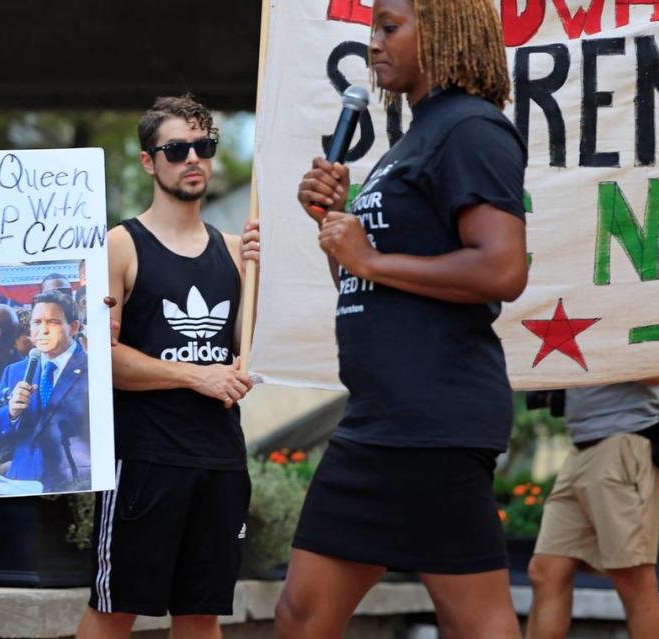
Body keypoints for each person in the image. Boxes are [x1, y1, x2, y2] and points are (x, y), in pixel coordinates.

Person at [278, 1, 529, 637]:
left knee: (476, 624)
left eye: (390, 28)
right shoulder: (412, 140)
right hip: (380, 416)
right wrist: (336, 237)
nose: (374, 44)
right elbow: (373, 276)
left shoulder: (471, 129)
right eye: (372, 30)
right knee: (301, 615)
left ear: (441, 32)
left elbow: (503, 270)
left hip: (433, 417)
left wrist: (370, 256)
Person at [76, 94, 260, 639]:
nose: (193, 159)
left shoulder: (236, 252)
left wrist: (265, 274)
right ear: (148, 161)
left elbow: (249, 358)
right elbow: (100, 359)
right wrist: (193, 375)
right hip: (144, 459)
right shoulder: (120, 245)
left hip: (220, 460)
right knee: (114, 609)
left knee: (201, 614)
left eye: (204, 146)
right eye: (176, 149)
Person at [526, 380, 659, 639]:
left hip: (624, 441)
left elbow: (656, 371)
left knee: (633, 578)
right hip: (580, 447)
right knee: (546, 570)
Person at [0, 291, 89, 492]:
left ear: (73, 327)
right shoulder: (15, 371)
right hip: (22, 482)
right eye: (37, 322)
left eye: (53, 322)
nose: (43, 330)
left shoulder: (94, 368)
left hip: (75, 484)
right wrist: (11, 414)